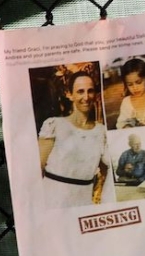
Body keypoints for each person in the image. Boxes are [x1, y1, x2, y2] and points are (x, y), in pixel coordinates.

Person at [37, 70, 109, 209]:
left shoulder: (101, 131)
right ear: (69, 94)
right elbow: (37, 168)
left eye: (90, 91)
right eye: (80, 91)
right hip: (53, 200)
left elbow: (106, 168)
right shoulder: (54, 125)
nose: (86, 97)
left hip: (84, 201)